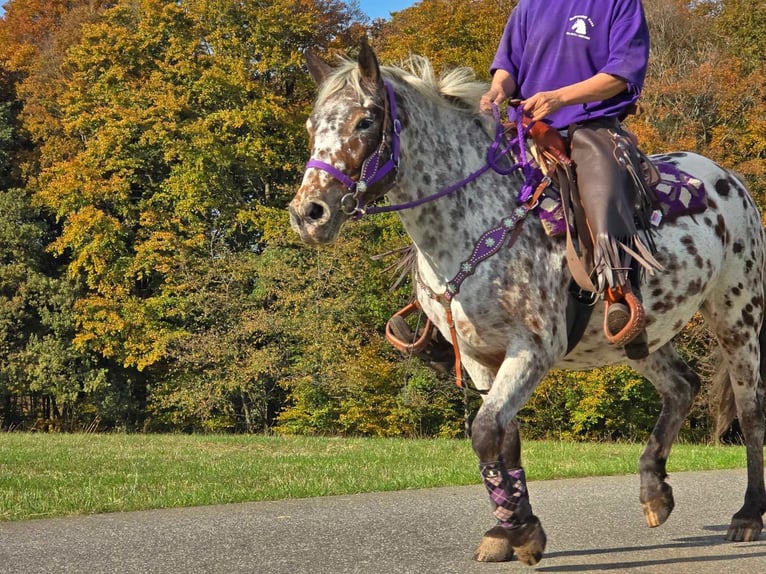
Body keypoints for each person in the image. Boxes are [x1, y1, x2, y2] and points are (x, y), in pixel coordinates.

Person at [481, 0, 660, 358]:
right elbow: (506, 68)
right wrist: (496, 93)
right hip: (528, 127)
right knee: (461, 181)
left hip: (591, 126)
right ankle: (436, 303)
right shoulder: (530, 5)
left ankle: (618, 291)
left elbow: (621, 75)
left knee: (600, 187)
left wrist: (560, 97)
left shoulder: (619, 4)